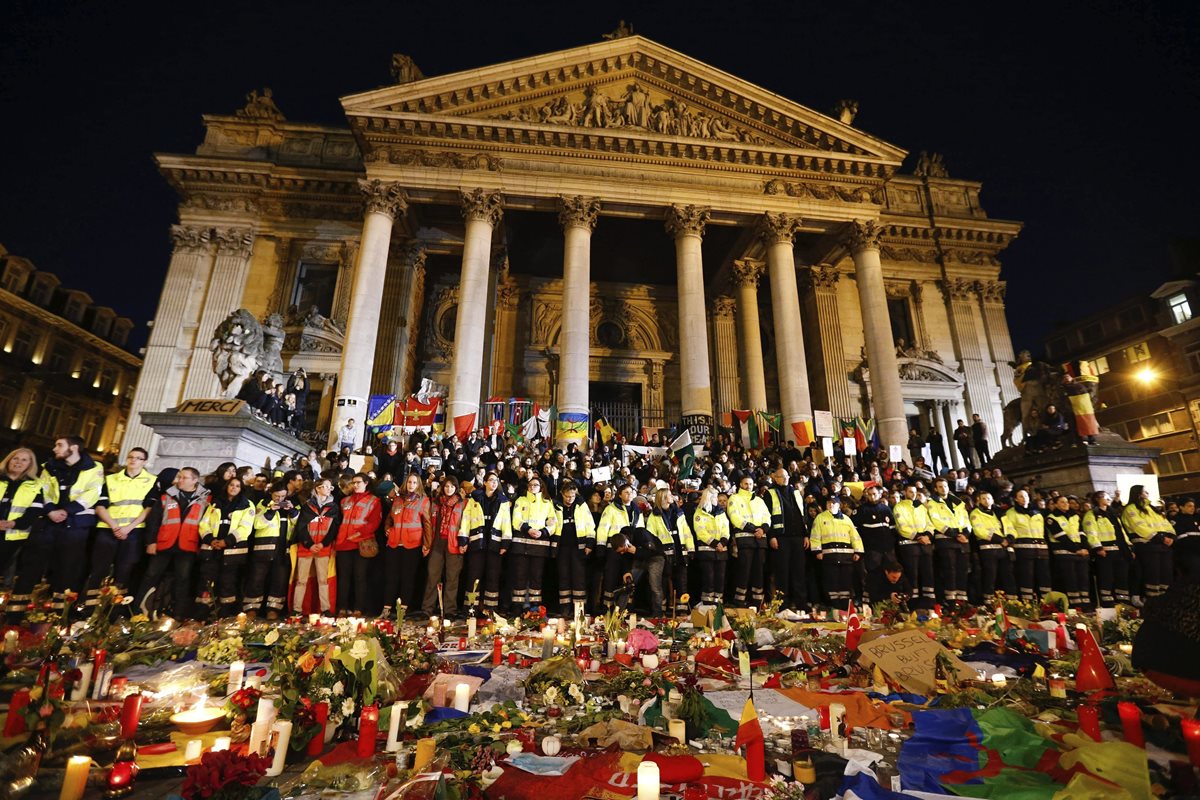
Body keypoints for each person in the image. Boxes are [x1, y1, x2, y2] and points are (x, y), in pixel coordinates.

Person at [40, 435, 106, 607]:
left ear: (74, 448)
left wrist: (67, 511)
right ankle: (40, 604)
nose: (55, 449)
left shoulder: (94, 467)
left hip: (77, 524)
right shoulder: (49, 467)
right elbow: (44, 490)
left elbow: (93, 492)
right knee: (45, 563)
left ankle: (62, 609)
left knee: (69, 566)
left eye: (59, 445)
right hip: (51, 521)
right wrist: (51, 511)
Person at [136, 467, 208, 619]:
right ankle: (138, 612)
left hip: (188, 545)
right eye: (179, 477)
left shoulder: (205, 499)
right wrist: (151, 542)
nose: (179, 480)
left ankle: (178, 616)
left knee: (183, 580)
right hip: (164, 542)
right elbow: (154, 520)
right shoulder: (166, 496)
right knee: (151, 576)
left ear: (195, 480)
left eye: (184, 478)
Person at [89, 448, 157, 605]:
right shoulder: (111, 479)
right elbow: (100, 506)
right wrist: (114, 526)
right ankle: (90, 608)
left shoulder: (152, 480)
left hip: (134, 531)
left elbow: (149, 509)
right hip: (108, 528)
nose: (133, 460)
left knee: (125, 570)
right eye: (131, 457)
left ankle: (116, 608)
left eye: (138, 458)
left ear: (145, 462)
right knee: (99, 568)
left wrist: (128, 528)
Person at [196, 476, 255, 617]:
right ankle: (202, 615)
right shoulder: (215, 503)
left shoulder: (247, 505)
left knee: (227, 584)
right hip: (212, 550)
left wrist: (227, 541)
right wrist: (211, 539)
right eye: (231, 485)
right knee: (206, 583)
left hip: (232, 552)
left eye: (237, 486)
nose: (234, 488)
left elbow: (245, 528)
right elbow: (204, 524)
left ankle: (225, 616)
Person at [0, 448, 45, 618]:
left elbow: (33, 513)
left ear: (30, 465)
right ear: (8, 460)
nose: (18, 462)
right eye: (15, 458)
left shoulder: (35, 485)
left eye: (24, 460)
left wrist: (13, 523)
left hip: (14, 537)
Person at [245, 480, 299, 619]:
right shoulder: (262, 504)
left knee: (279, 580)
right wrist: (270, 511)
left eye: (282, 496)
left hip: (283, 549)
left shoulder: (291, 504)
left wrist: (292, 511)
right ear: (271, 493)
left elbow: (299, 524)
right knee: (256, 579)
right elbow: (256, 524)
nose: (280, 499)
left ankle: (273, 609)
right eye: (277, 496)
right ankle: (252, 608)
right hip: (263, 548)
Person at [461, 471, 511, 613]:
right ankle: (471, 608)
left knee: (493, 576)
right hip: (477, 543)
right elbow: (466, 519)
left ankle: (490, 609)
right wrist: (463, 540)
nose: (494, 483)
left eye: (496, 480)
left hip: (494, 543)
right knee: (474, 576)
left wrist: (505, 543)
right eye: (491, 480)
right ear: (485, 482)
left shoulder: (503, 501)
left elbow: (506, 522)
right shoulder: (474, 499)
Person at [334, 473, 382, 615]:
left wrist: (359, 534)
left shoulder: (374, 501)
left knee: (360, 577)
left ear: (366, 483)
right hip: (343, 543)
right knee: (343, 577)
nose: (355, 485)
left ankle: (358, 608)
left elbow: (373, 523)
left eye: (358, 482)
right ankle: (342, 607)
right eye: (353, 483)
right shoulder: (345, 501)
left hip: (361, 543)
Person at [507, 475, 556, 612]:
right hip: (521, 545)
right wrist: (527, 529)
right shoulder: (521, 500)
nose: (532, 487)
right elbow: (515, 519)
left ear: (541, 487)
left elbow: (553, 521)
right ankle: (517, 607)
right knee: (519, 577)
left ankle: (535, 610)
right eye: (530, 485)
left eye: (535, 485)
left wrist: (544, 532)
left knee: (536, 578)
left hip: (539, 546)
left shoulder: (547, 502)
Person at [292, 477, 340, 615]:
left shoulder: (333, 507)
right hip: (307, 547)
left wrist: (323, 543)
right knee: (301, 580)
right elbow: (301, 527)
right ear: (318, 488)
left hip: (323, 547)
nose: (329, 489)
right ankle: (297, 609)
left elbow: (334, 528)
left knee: (322, 580)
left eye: (330, 487)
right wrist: (309, 543)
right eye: (325, 486)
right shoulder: (307, 506)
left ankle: (325, 609)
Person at [385, 473, 431, 613]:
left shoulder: (423, 501)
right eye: (409, 482)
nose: (411, 485)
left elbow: (427, 524)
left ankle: (403, 608)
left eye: (414, 483)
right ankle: (387, 607)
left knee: (408, 577)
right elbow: (389, 518)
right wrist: (387, 528)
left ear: (418, 485)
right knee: (391, 576)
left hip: (412, 543)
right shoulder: (398, 500)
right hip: (394, 542)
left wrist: (427, 544)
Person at [421, 476, 466, 619]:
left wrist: (464, 542)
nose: (449, 489)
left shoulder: (462, 503)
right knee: (432, 576)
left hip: (454, 543)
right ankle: (427, 609)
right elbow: (428, 523)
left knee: (452, 577)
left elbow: (465, 524)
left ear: (456, 488)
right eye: (446, 486)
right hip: (437, 543)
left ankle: (449, 610)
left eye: (452, 486)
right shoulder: (435, 503)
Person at [1121, 484, 1174, 601]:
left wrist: (1170, 536)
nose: (1147, 494)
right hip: (1147, 546)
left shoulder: (1152, 508)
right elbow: (1139, 527)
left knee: (1166, 575)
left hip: (1163, 546)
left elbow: (1165, 524)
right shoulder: (1131, 509)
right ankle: (1152, 601)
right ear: (1138, 494)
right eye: (1145, 492)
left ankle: (1165, 600)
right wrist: (1161, 538)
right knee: (1152, 575)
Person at [645, 486, 694, 615]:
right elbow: (650, 536)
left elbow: (686, 532)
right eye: (669, 495)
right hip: (664, 555)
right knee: (664, 583)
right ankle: (662, 611)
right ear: (663, 498)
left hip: (680, 552)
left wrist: (691, 548)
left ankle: (682, 611)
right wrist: (657, 550)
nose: (672, 497)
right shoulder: (654, 516)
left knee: (682, 583)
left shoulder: (679, 513)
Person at [766, 466, 809, 610]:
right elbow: (767, 517)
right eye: (781, 476)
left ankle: (801, 604)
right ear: (775, 478)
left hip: (798, 537)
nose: (784, 479)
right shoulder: (770, 493)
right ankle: (782, 605)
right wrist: (771, 536)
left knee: (799, 572)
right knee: (782, 573)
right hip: (781, 538)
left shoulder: (796, 493)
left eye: (786, 476)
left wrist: (805, 535)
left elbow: (803, 515)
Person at [809, 495, 863, 606]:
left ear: (839, 505)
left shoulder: (847, 519)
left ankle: (844, 606)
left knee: (845, 581)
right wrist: (817, 551)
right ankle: (833, 605)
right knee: (831, 580)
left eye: (834, 503)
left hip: (846, 557)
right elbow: (815, 536)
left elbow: (854, 536)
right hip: (829, 556)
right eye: (829, 503)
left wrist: (858, 551)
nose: (831, 505)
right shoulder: (820, 518)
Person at [727, 474, 771, 607]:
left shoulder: (759, 500)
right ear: (740, 484)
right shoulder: (734, 498)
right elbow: (735, 517)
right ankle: (740, 601)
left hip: (760, 540)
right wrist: (753, 529)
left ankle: (757, 602)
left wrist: (763, 529)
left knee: (759, 572)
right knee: (744, 571)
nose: (748, 486)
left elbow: (767, 516)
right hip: (745, 539)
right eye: (746, 484)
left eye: (751, 484)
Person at [926, 478, 971, 604]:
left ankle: (962, 602)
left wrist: (966, 534)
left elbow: (966, 520)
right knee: (949, 570)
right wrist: (955, 534)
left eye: (945, 486)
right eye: (940, 487)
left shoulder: (958, 503)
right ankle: (951, 601)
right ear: (935, 489)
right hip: (946, 540)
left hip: (962, 540)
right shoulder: (932, 503)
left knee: (963, 570)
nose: (943, 489)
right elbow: (936, 521)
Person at [596, 483, 641, 607]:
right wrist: (600, 547)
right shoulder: (611, 509)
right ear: (620, 495)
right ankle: (607, 607)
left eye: (631, 492)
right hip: (614, 549)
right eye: (626, 492)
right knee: (611, 578)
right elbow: (602, 529)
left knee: (627, 580)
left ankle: (625, 609)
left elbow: (640, 529)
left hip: (630, 549)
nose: (629, 494)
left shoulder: (637, 511)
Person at [1083, 490, 1130, 607]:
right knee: (1106, 577)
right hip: (1105, 551)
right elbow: (1091, 532)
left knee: (1122, 576)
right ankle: (1107, 601)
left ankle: (1123, 602)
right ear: (1098, 499)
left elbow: (1121, 532)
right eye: (1106, 497)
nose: (1109, 499)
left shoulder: (1112, 513)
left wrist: (1129, 547)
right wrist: (1098, 548)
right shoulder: (1092, 514)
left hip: (1119, 550)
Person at [553, 480, 595, 614]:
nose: (570, 499)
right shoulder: (555, 505)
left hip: (579, 547)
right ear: (562, 494)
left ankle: (579, 609)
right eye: (567, 496)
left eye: (572, 496)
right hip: (562, 547)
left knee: (579, 577)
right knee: (563, 576)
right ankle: (565, 608)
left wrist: (589, 544)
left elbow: (589, 525)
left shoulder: (582, 505)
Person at [1005, 489, 1050, 603]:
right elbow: (1010, 529)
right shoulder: (1011, 512)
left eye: (1025, 495)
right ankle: (1028, 603)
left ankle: (1047, 603)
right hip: (1023, 549)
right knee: (1026, 577)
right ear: (1016, 499)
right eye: (1020, 496)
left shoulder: (1037, 512)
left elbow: (1042, 530)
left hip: (1041, 549)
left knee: (1044, 577)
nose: (1024, 498)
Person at [853, 484, 895, 605]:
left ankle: (889, 601)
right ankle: (872, 602)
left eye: (874, 494)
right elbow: (856, 531)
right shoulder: (861, 510)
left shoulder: (886, 509)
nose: (872, 496)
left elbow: (892, 529)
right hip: (872, 550)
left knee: (889, 574)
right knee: (873, 575)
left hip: (888, 549)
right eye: (870, 494)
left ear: (880, 494)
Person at [1046, 495, 1089, 609]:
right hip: (1064, 553)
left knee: (1083, 579)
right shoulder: (1051, 518)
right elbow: (1061, 536)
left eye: (1066, 502)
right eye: (1062, 502)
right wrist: (1077, 549)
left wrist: (1085, 547)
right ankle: (1075, 605)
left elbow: (1081, 533)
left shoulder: (1074, 516)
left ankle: (1085, 603)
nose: (1066, 504)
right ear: (1055, 504)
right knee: (1071, 580)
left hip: (1080, 553)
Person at [690, 486, 729, 605]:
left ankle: (718, 605)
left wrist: (722, 542)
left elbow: (725, 528)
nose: (716, 499)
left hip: (721, 551)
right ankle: (708, 604)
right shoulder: (699, 512)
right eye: (714, 496)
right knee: (709, 579)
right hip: (707, 551)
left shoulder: (720, 512)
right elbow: (700, 531)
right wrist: (715, 543)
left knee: (720, 579)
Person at [969, 490, 1012, 597]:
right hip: (988, 549)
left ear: (992, 500)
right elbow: (980, 531)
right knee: (990, 576)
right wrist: (1000, 540)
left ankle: (1009, 602)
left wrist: (1009, 538)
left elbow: (1010, 528)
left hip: (1004, 549)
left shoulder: (999, 513)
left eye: (988, 498)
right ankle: (989, 601)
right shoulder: (976, 513)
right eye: (983, 498)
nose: (986, 500)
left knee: (1007, 576)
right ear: (979, 500)